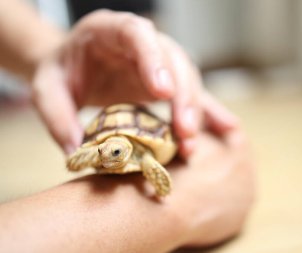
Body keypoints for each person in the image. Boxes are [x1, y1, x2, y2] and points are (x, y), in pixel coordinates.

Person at [0, 1, 254, 252]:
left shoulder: (144, 156)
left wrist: (47, 51)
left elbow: (150, 164)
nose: (108, 157)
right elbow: (95, 153)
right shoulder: (105, 151)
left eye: (116, 153)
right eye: (103, 152)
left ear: (127, 151)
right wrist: (179, 209)